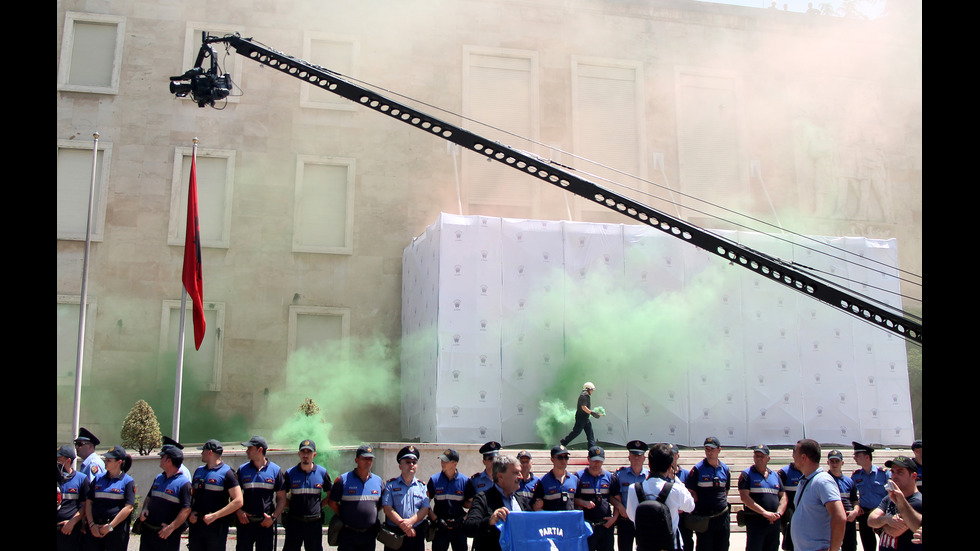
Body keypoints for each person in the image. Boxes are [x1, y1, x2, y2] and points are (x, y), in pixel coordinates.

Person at [625, 442, 695, 551]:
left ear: (649, 464)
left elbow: (631, 516)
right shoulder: (675, 489)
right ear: (669, 467)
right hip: (670, 547)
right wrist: (675, 479)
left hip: (645, 546)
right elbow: (690, 506)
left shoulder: (633, 488)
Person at [463, 454, 532, 551]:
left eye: (520, 472)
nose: (520, 476)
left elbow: (533, 526)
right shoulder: (484, 499)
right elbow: (469, 528)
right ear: (500, 476)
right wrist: (490, 521)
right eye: (516, 473)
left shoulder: (521, 501)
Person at [789, 439, 845, 551]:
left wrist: (833, 549)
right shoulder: (805, 481)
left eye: (795, 452)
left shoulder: (823, 481)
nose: (793, 456)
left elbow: (839, 517)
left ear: (803, 457)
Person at [326, 445, 384, 551]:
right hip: (348, 534)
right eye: (364, 458)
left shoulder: (378, 481)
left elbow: (382, 502)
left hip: (369, 535)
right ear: (356, 460)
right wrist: (343, 514)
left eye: (370, 459)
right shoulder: (343, 480)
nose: (368, 462)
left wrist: (373, 512)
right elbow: (332, 502)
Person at [188, 439, 243, 551]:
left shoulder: (227, 473)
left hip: (216, 527)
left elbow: (238, 501)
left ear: (210, 452)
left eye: (203, 451)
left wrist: (215, 516)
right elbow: (192, 496)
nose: (201, 453)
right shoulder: (199, 471)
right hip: (197, 525)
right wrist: (191, 512)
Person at [236, 435, 287, 551]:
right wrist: (239, 512)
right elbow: (233, 495)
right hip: (245, 523)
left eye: (250, 448)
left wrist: (273, 518)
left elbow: (281, 498)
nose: (247, 451)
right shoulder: (242, 470)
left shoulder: (275, 470)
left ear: (259, 450)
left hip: (265, 523)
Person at [138, 445, 193, 551]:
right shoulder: (159, 478)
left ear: (169, 460)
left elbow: (186, 509)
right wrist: (145, 508)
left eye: (162, 457)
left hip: (167, 535)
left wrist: (171, 528)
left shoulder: (184, 483)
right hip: (149, 532)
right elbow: (149, 497)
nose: (160, 459)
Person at [83, 445, 135, 551]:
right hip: (95, 528)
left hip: (116, 530)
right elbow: (89, 502)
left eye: (109, 460)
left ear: (119, 462)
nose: (105, 462)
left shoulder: (127, 481)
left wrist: (110, 526)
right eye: (105, 459)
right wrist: (91, 525)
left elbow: (129, 507)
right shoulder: (98, 478)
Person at [283, 439, 332, 551]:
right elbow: (281, 497)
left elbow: (331, 495)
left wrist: (319, 506)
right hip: (294, 522)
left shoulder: (322, 473)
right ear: (299, 454)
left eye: (309, 452)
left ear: (314, 454)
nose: (305, 455)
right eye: (303, 452)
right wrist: (293, 506)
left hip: (314, 523)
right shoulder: (290, 473)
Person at [684, 437, 731, 551]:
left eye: (712, 449)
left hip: (722, 517)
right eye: (707, 449)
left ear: (719, 450)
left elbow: (725, 491)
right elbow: (689, 491)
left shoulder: (725, 469)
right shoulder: (697, 469)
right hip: (705, 519)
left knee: (723, 547)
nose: (709, 452)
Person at [867, 456, 922, 550]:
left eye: (900, 472)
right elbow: (870, 520)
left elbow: (893, 531)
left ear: (913, 476)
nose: (894, 476)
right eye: (893, 472)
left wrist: (879, 527)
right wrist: (886, 520)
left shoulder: (917, 502)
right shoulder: (889, 498)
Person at [382, 445, 430, 551]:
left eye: (414, 462)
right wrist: (404, 525)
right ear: (400, 466)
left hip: (415, 534)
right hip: (395, 534)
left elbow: (425, 509)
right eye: (408, 462)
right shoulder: (391, 485)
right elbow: (387, 508)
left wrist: (411, 522)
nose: (411, 465)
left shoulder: (422, 486)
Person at [737, 445, 785, 551]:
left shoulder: (775, 476)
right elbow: (744, 497)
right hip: (756, 521)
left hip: (773, 522)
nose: (759, 458)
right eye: (756, 456)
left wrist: (778, 514)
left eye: (762, 456)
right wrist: (764, 513)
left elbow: (783, 496)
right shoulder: (746, 475)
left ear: (768, 458)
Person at [575, 446, 618, 551]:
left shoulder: (610, 477)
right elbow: (574, 499)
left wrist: (614, 518)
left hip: (605, 526)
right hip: (587, 526)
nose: (597, 463)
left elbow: (617, 501)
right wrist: (584, 503)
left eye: (599, 460)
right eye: (594, 460)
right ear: (588, 459)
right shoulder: (579, 477)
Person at [610, 440, 648, 551]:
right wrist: (619, 506)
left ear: (644, 458)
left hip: (644, 521)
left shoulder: (649, 476)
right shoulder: (620, 475)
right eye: (634, 455)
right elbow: (611, 495)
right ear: (629, 457)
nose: (636, 458)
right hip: (625, 520)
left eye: (639, 455)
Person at [427, 448, 469, 551]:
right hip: (440, 527)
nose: (442, 463)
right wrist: (435, 519)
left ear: (455, 464)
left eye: (446, 461)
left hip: (458, 527)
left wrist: (463, 520)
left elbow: (475, 505)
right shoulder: (434, 480)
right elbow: (425, 504)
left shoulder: (465, 481)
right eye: (442, 460)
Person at [851, 441, 889, 551]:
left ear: (867, 457)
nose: (854, 458)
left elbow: (891, 494)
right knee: (868, 546)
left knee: (886, 544)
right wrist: (857, 507)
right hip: (865, 515)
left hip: (881, 514)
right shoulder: (856, 475)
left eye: (857, 455)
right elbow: (852, 495)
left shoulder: (883, 474)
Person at [57, 444, 89, 551]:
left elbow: (85, 506)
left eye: (58, 459)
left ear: (68, 461)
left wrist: (71, 523)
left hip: (69, 530)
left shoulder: (81, 479)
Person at [826, 450, 859, 551]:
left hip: (849, 520)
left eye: (837, 461)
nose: (834, 464)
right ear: (828, 463)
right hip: (831, 520)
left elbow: (855, 500)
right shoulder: (823, 480)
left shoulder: (849, 481)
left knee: (850, 547)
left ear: (842, 463)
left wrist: (855, 511)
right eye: (832, 461)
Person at [531, 444, 578, 511]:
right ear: (552, 459)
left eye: (566, 457)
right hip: (551, 517)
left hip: (569, 518)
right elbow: (536, 506)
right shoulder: (543, 481)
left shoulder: (574, 480)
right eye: (560, 457)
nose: (563, 460)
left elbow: (579, 502)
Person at [560, 382, 603, 449]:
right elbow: (583, 407)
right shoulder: (583, 396)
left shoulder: (586, 396)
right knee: (576, 432)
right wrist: (592, 413)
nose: (592, 391)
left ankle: (592, 448)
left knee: (590, 433)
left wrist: (592, 413)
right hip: (581, 418)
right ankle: (564, 442)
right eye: (591, 389)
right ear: (587, 389)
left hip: (585, 418)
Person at [669, 443, 694, 551]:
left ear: (678, 456)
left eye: (673, 454)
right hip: (669, 515)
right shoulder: (662, 474)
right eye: (668, 454)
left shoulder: (686, 474)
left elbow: (692, 494)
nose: (670, 457)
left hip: (683, 516)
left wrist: (682, 507)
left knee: (687, 542)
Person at [777, 460, 804, 551]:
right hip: (789, 514)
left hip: (805, 513)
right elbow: (779, 495)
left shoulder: (808, 471)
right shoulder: (783, 473)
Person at [465, 441, 502, 507]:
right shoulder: (475, 480)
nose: (494, 461)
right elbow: (466, 503)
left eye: (496, 458)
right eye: (491, 459)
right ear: (484, 462)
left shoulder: (505, 478)